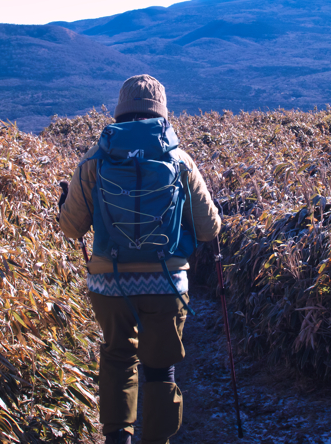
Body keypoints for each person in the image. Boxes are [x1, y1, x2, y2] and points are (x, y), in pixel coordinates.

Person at [58, 74, 221, 444]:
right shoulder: (179, 159)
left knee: (117, 356)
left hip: (108, 282)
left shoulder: (95, 159)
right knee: (160, 369)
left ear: (120, 109)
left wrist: (63, 205)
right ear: (161, 111)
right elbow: (209, 229)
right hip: (166, 283)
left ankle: (118, 438)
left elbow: (72, 228)